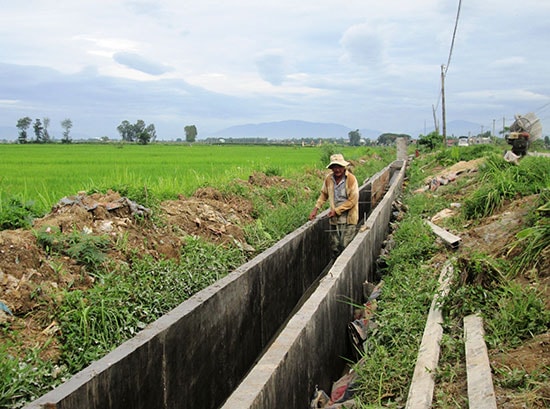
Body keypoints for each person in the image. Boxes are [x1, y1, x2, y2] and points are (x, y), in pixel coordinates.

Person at [308, 153, 359, 259]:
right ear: (331, 168)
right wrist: (315, 209)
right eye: (334, 167)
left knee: (346, 246)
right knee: (335, 247)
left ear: (344, 167)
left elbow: (353, 200)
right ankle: (334, 270)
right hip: (334, 219)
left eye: (339, 167)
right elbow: (324, 194)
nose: (337, 170)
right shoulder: (329, 179)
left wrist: (337, 210)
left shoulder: (351, 179)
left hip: (349, 219)